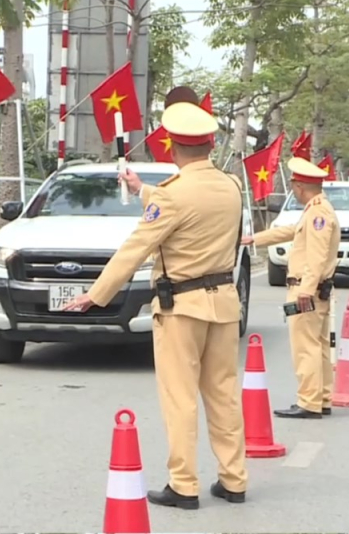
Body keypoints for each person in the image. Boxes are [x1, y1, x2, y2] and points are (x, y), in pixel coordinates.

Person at [62, 102, 248, 510]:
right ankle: (234, 479)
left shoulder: (172, 195)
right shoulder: (231, 187)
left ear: (169, 146)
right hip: (224, 304)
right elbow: (186, 207)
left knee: (180, 398)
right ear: (212, 144)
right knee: (223, 395)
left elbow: (136, 247)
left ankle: (184, 485)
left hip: (181, 307)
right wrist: (141, 188)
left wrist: (96, 294)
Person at [241, 157, 340, 419]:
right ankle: (322, 398)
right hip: (317, 289)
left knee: (305, 347)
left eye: (293, 186)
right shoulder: (317, 209)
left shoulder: (318, 212)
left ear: (298, 186)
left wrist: (306, 289)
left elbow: (317, 255)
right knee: (317, 347)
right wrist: (253, 238)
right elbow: (290, 231)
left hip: (307, 289)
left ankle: (309, 402)